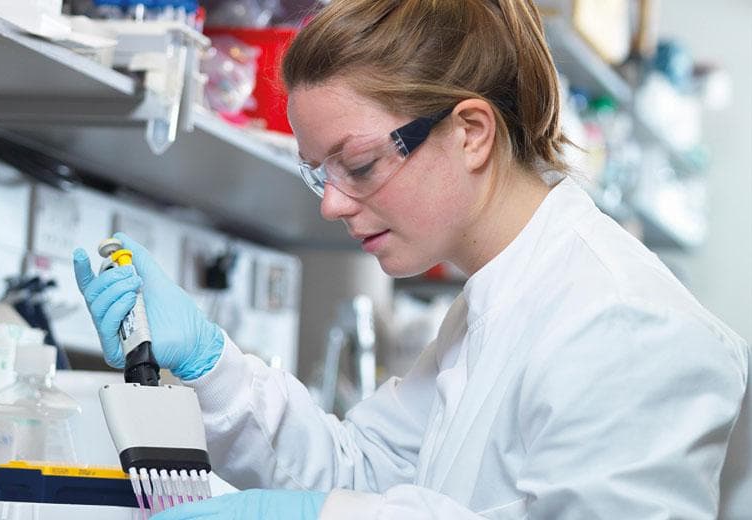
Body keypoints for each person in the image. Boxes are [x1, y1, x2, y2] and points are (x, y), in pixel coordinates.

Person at [72, 0, 749, 518]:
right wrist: (210, 365)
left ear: (472, 132)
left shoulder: (624, 321)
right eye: (319, 174)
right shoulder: (491, 305)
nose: (332, 205)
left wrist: (327, 516)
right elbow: (364, 470)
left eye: (359, 164)